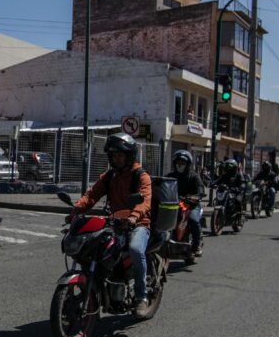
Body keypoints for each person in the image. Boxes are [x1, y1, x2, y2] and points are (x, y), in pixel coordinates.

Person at [71, 133, 153, 315]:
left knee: (135, 250)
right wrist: (77, 210)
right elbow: (92, 195)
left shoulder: (141, 176)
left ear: (129, 156)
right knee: (93, 248)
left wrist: (133, 217)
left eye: (120, 155)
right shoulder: (109, 176)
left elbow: (145, 201)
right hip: (114, 222)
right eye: (114, 155)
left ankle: (141, 297)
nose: (116, 159)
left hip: (138, 224)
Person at [167, 150, 204, 257]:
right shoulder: (170, 176)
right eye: (178, 162)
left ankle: (196, 245)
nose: (180, 164)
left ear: (188, 164)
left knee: (193, 220)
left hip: (191, 205)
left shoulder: (194, 177)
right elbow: (161, 184)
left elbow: (200, 189)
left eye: (183, 162)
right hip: (173, 205)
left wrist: (196, 196)